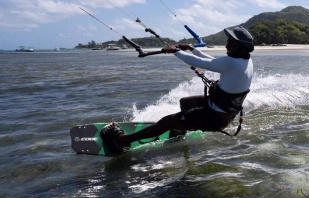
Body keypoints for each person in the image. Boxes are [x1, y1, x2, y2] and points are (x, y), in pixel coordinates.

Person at [101, 26, 254, 153]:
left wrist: (176, 51)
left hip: (214, 117)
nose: (227, 45)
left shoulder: (232, 63)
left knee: (166, 121)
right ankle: (179, 134)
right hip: (222, 110)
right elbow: (213, 61)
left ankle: (121, 142)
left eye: (231, 43)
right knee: (185, 103)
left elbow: (201, 62)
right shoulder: (244, 61)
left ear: (241, 47)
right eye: (228, 41)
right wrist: (192, 48)